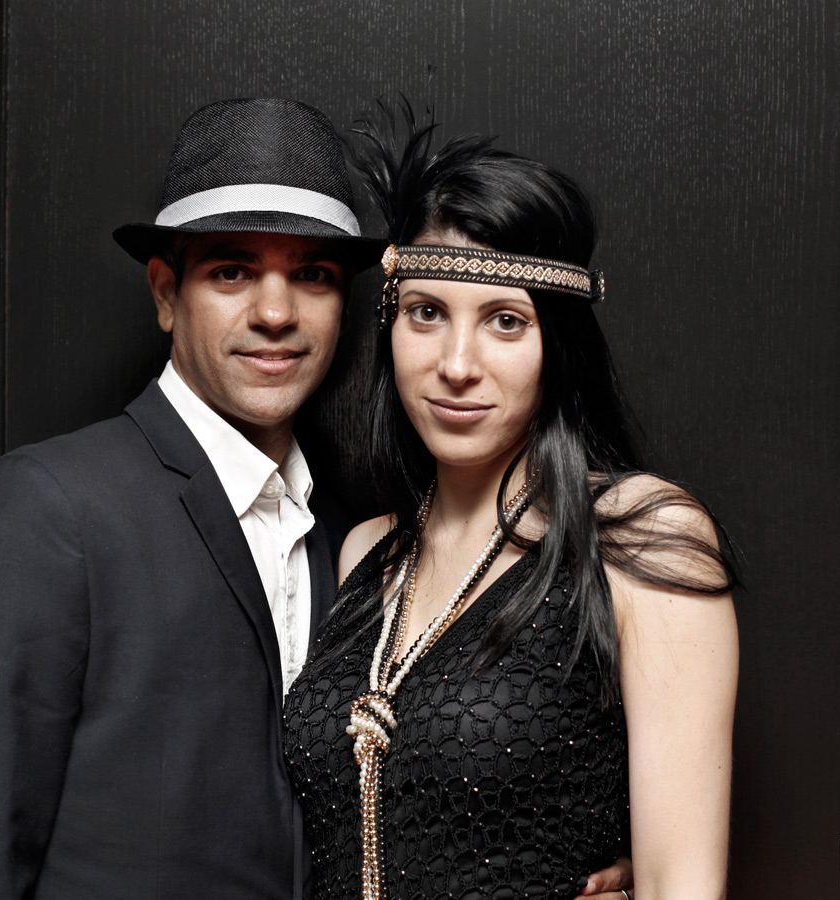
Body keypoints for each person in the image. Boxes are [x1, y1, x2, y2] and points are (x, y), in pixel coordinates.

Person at [0, 98, 387, 900]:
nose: (275, 312)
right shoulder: (48, 509)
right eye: (231, 271)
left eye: (312, 275)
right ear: (165, 293)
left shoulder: (351, 537)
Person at [283, 123, 739, 900]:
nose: (456, 365)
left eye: (505, 321)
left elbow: (682, 885)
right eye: (427, 312)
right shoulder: (365, 552)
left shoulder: (639, 538)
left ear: (557, 342)